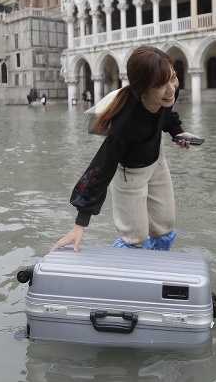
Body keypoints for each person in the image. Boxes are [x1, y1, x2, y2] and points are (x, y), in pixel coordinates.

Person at [52, 46, 202, 253]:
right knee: (135, 238)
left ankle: (156, 265)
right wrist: (80, 223)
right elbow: (102, 168)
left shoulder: (163, 98)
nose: (171, 88)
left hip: (157, 161)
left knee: (165, 227)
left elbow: (167, 116)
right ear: (142, 89)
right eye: (160, 84)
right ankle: (125, 272)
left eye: (173, 78)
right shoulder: (125, 125)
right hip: (129, 176)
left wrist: (178, 133)